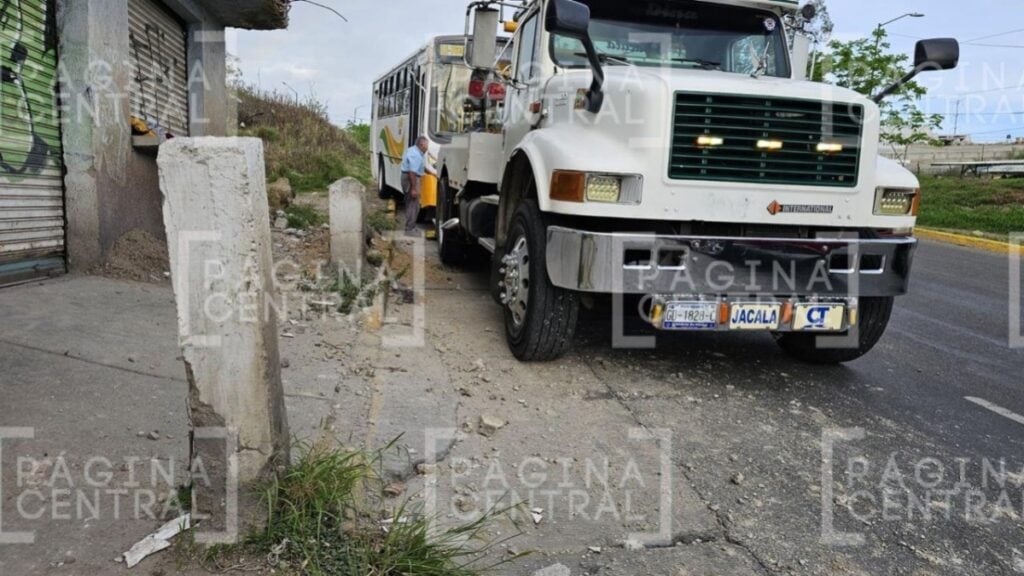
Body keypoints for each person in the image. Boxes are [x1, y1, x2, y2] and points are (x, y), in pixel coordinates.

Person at [400, 136, 430, 235]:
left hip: (408, 178)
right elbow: (412, 172)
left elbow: (421, 167)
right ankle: (409, 229)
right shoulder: (416, 154)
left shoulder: (413, 150)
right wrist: (413, 188)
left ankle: (411, 227)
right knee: (413, 205)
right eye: (427, 145)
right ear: (421, 145)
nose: (427, 147)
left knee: (411, 204)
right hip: (411, 179)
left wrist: (432, 173)